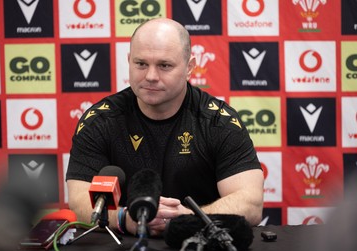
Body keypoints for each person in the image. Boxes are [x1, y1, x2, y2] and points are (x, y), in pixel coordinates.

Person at [66, 18, 264, 237]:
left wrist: (189, 218)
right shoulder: (100, 120)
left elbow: (251, 203)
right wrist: (125, 218)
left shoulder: (218, 122)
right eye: (141, 64)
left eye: (164, 65)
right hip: (123, 244)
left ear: (190, 67)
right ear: (129, 61)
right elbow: (79, 201)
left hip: (197, 244)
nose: (151, 76)